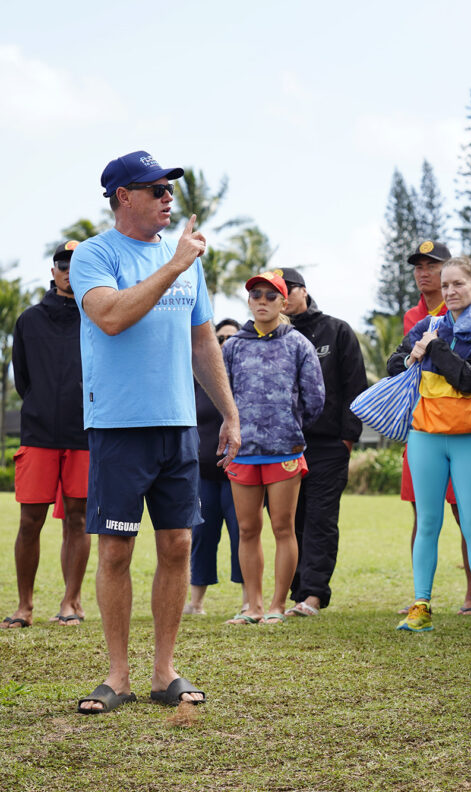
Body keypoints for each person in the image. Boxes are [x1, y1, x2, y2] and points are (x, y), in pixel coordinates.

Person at [71, 150, 240, 713]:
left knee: (179, 545)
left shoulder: (182, 259)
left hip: (178, 426)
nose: (168, 197)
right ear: (123, 197)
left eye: (170, 188)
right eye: (156, 188)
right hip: (120, 425)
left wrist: (230, 412)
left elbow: (201, 342)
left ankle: (163, 670)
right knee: (116, 551)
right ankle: (117, 677)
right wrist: (173, 265)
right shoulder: (94, 255)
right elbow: (112, 317)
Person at [386, 257, 471, 636]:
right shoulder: (427, 325)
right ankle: (421, 606)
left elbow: (469, 378)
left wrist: (434, 348)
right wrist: (414, 352)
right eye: (445, 286)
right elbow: (394, 365)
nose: (449, 292)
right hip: (424, 437)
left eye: (457, 284)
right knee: (428, 523)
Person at [222, 272, 324, 625]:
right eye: (255, 295)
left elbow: (315, 399)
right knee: (247, 530)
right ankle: (253, 606)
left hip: (285, 451)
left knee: (284, 528)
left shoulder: (298, 344)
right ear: (248, 303)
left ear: (284, 303)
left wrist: (288, 428)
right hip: (244, 453)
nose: (262, 301)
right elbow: (222, 397)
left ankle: (278, 606)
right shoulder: (233, 346)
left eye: (270, 296)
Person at [4, 241, 91, 629]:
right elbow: (22, 380)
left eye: (78, 265)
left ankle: (71, 602)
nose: (70, 271)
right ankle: (24, 607)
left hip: (84, 433)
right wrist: (41, 406)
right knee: (29, 520)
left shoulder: (96, 318)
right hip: (38, 433)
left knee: (78, 518)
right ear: (53, 271)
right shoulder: (28, 320)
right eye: (63, 264)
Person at [280, 266, 367, 618]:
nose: (278, 297)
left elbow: (355, 386)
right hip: (284, 445)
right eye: (270, 292)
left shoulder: (336, 330)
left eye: (285, 289)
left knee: (320, 517)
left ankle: (313, 594)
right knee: (288, 519)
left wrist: (348, 438)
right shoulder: (269, 336)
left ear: (303, 290)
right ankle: (296, 590)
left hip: (329, 444)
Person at [397, 241, 471, 614]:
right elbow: (400, 364)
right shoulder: (413, 315)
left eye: (433, 265)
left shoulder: (464, 309)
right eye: (418, 266)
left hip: (459, 426)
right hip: (422, 427)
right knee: (423, 514)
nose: (424, 272)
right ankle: (419, 598)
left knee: (466, 513)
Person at [184, 318, 246, 616]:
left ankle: (250, 600)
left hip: (240, 473)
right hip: (203, 473)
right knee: (202, 537)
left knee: (242, 534)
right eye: (219, 338)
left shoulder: (245, 378)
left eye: (231, 339)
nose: (224, 344)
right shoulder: (195, 378)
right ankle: (196, 603)